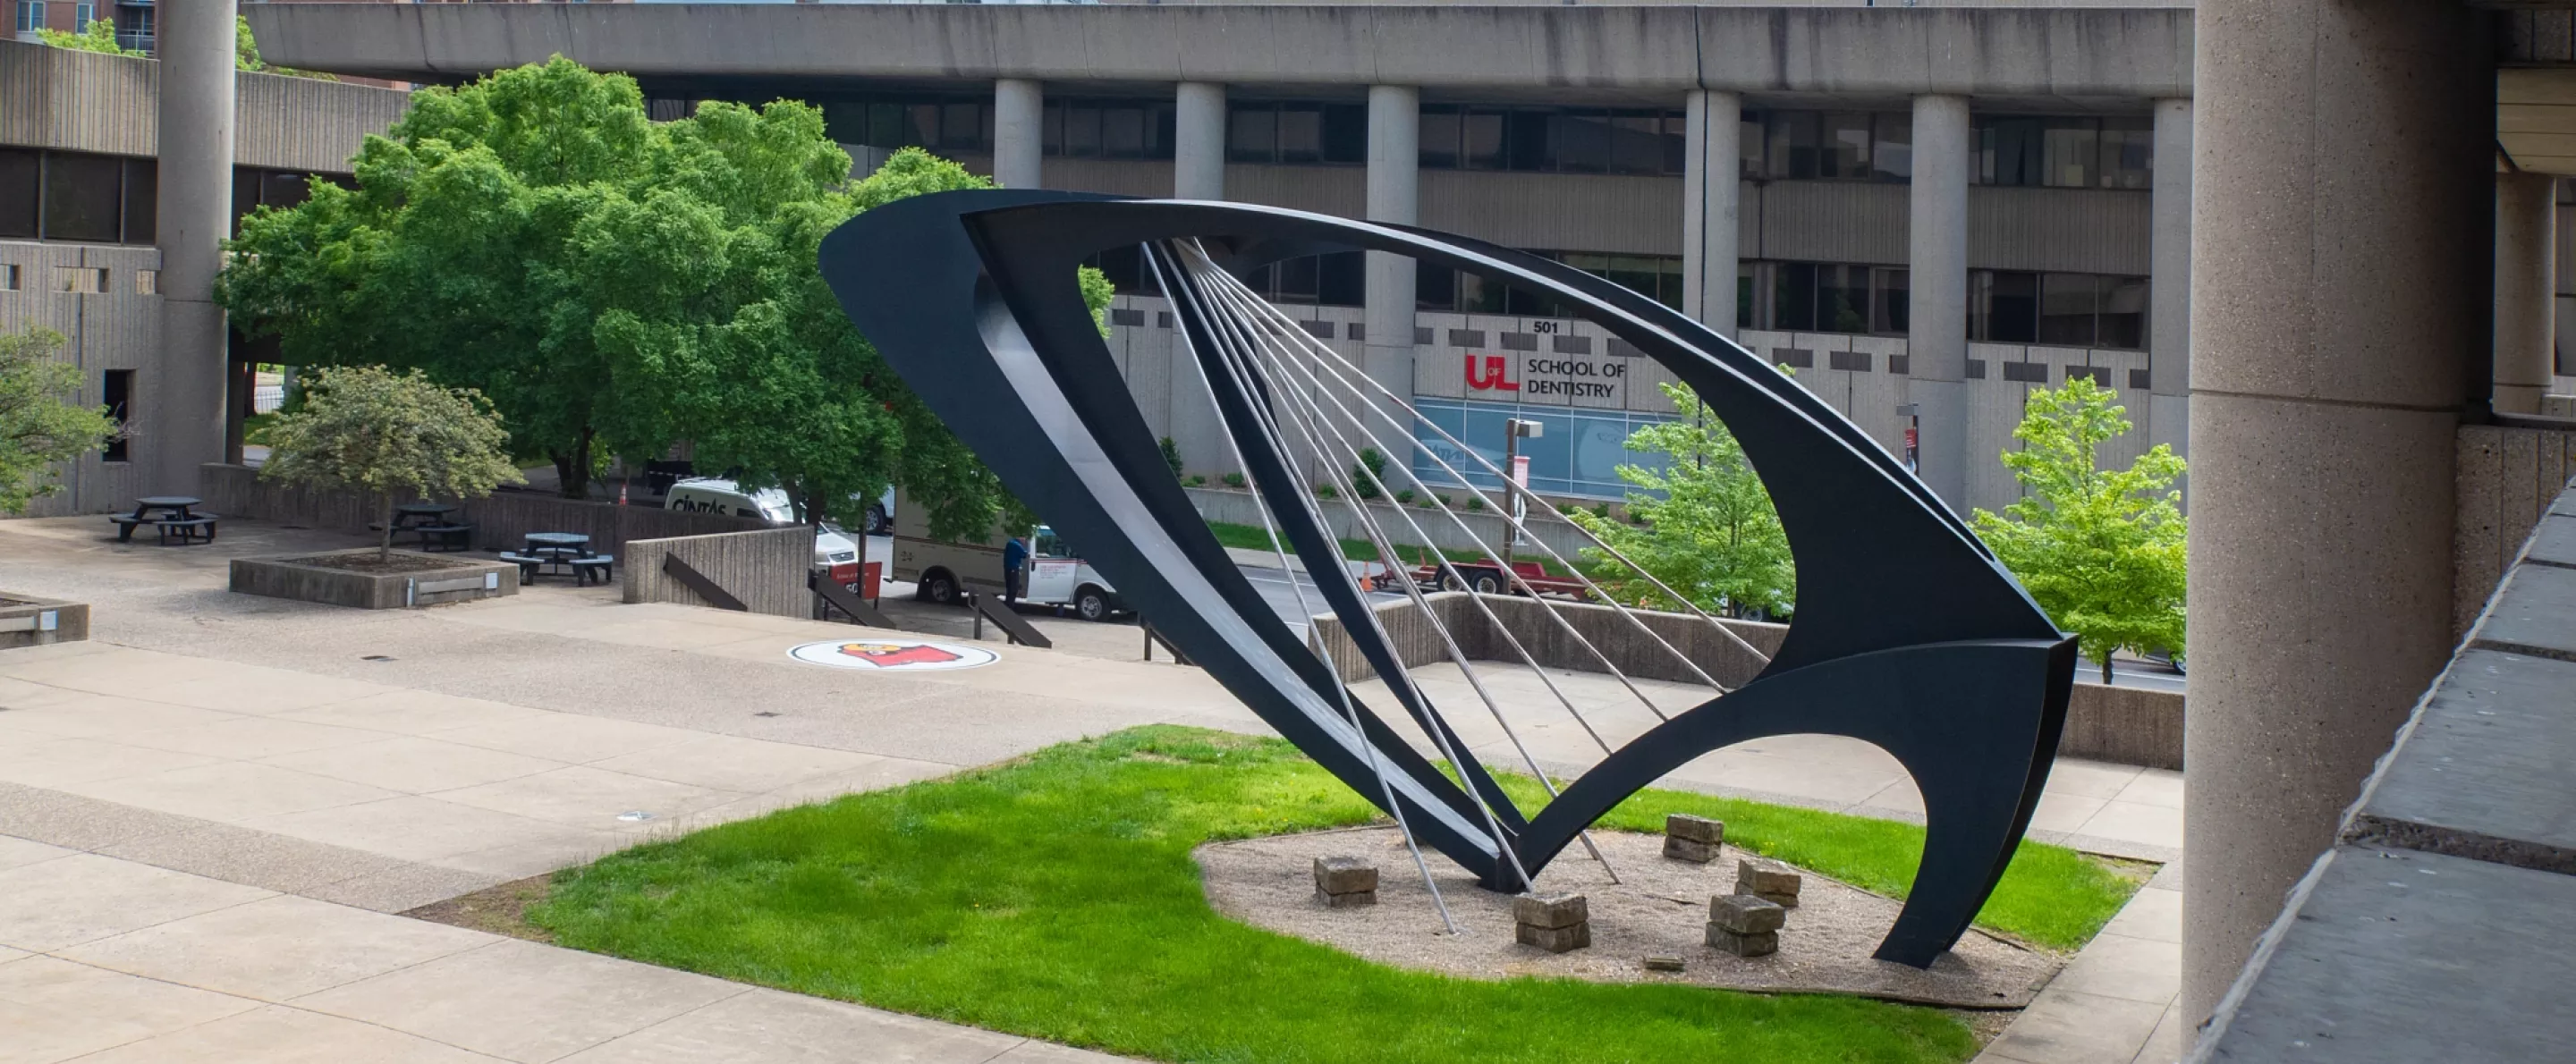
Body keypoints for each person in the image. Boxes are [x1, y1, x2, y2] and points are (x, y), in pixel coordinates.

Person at [1002, 533, 1029, 603]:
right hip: (1013, 569)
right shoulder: (1017, 545)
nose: (1025, 541)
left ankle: (1007, 603)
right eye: (1024, 539)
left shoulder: (1010, 543)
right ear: (1021, 538)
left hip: (1007, 568)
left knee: (1009, 588)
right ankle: (1010, 605)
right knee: (1013, 589)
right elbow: (1024, 555)